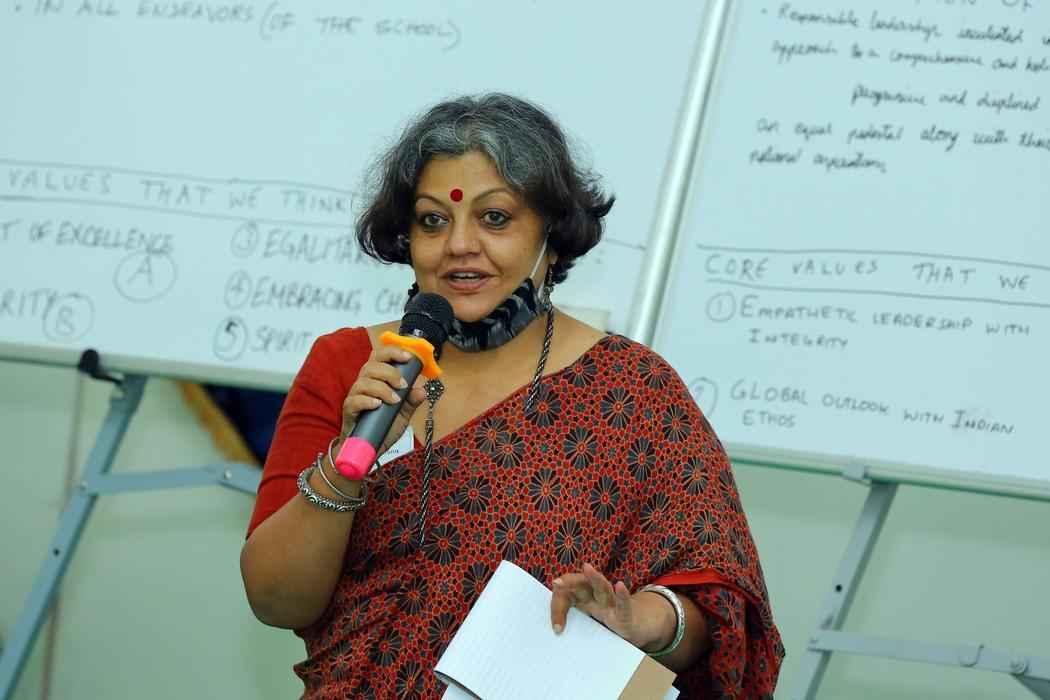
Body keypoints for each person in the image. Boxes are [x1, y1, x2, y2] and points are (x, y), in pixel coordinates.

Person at [240, 93, 783, 699]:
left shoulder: (632, 389)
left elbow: (717, 609)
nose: (459, 245)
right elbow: (276, 601)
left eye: (495, 218)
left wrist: (642, 622)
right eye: (432, 221)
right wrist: (347, 462)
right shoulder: (352, 367)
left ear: (552, 234)